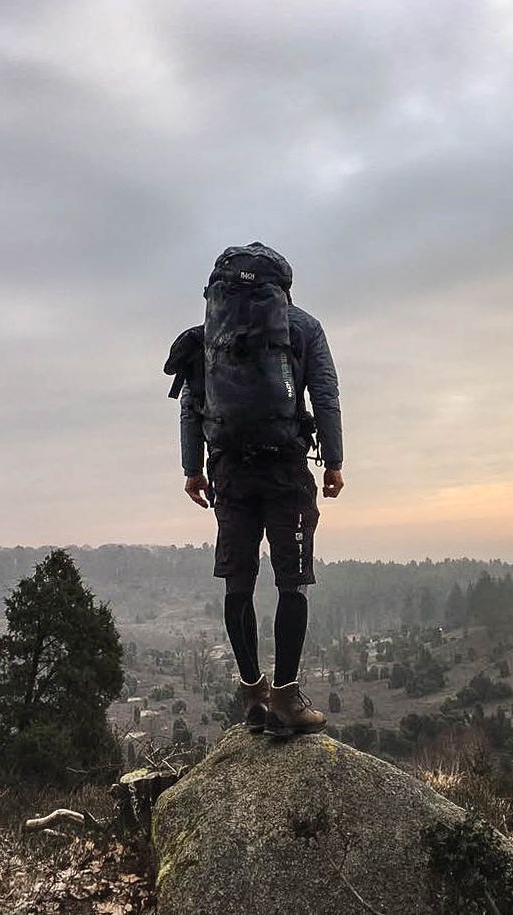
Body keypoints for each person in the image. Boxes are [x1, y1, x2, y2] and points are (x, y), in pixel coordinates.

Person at [168, 242, 344, 737]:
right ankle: (287, 698)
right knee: (292, 582)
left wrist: (192, 469)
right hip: (286, 470)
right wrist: (333, 460)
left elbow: (190, 404)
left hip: (229, 472)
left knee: (237, 583)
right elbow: (325, 393)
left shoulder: (210, 334)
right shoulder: (304, 327)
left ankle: (253, 693)